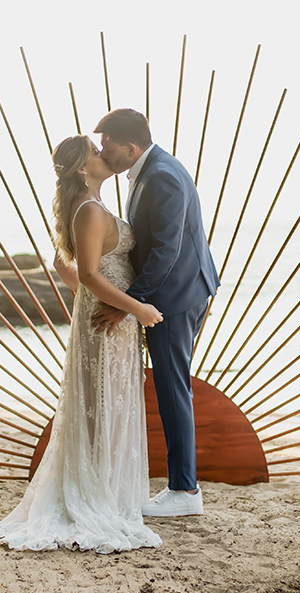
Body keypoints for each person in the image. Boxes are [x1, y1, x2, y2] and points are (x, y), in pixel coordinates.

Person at [0, 135, 163, 553]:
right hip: (109, 323)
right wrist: (135, 308)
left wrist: (96, 300)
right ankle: (97, 495)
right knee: (103, 405)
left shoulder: (93, 207)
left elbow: (62, 265)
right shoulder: (89, 210)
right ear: (82, 169)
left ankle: (107, 489)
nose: (102, 153)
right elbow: (86, 273)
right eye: (94, 151)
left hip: (108, 317)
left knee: (109, 403)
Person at [91, 109, 220, 518]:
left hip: (174, 297)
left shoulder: (162, 175)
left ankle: (185, 489)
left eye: (108, 147)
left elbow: (166, 249)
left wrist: (125, 305)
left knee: (172, 387)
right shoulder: (152, 170)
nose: (103, 153)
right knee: (171, 385)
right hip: (175, 291)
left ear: (131, 148)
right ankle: (184, 486)